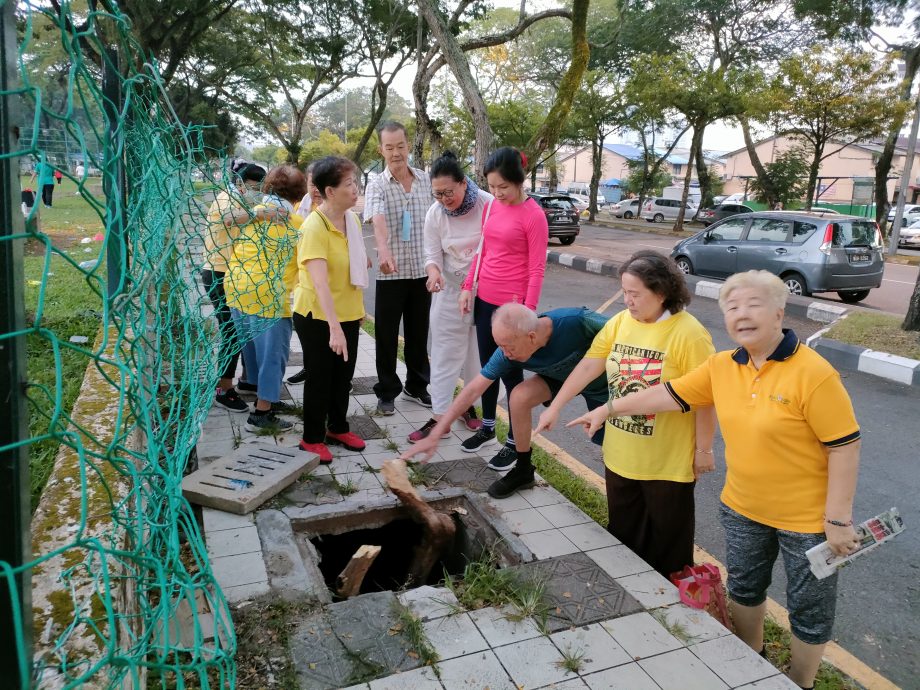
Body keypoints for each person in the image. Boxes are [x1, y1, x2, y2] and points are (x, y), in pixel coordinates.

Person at [562, 270, 862, 690]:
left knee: (809, 607)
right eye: (732, 306)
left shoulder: (814, 373)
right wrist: (609, 409)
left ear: (779, 312)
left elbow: (844, 446)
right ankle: (750, 657)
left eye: (753, 304)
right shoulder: (723, 366)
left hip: (808, 519)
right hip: (743, 506)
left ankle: (800, 681)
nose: (742, 314)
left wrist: (838, 517)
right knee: (744, 588)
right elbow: (668, 394)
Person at [535, 251, 717, 578]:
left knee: (668, 548)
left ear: (662, 293)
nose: (628, 301)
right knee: (624, 536)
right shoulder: (620, 323)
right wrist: (557, 405)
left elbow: (706, 396)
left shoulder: (689, 334)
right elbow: (592, 363)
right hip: (620, 454)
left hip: (667, 462)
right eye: (624, 292)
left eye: (636, 294)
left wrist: (703, 449)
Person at [403, 303, 611, 498]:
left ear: (531, 336)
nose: (504, 353)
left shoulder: (576, 321)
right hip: (559, 379)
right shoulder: (508, 350)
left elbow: (627, 331)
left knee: (611, 445)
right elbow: (474, 389)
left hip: (605, 383)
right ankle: (523, 470)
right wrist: (437, 432)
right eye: (500, 346)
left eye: (508, 346)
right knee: (519, 396)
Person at [457, 147, 548, 471]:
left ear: (519, 181)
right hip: (486, 303)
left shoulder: (533, 215)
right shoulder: (492, 207)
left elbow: (537, 268)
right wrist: (469, 286)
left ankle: (514, 441)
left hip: (514, 310)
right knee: (487, 368)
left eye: (502, 187)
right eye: (492, 187)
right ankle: (486, 428)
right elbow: (482, 252)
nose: (496, 193)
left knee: (512, 377)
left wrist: (528, 315)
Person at [408, 151, 491, 442]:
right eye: (438, 194)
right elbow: (432, 253)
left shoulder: (487, 205)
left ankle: (469, 408)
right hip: (450, 289)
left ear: (464, 184)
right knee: (444, 352)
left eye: (448, 192)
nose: (444, 199)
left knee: (477, 356)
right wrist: (433, 273)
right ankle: (439, 415)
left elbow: (495, 248)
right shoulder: (435, 213)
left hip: (485, 290)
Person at [293, 156, 369, 463]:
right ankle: (312, 437)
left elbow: (354, 267)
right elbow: (320, 283)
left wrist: (356, 309)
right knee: (320, 377)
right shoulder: (315, 226)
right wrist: (334, 328)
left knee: (343, 377)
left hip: (347, 312)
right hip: (318, 315)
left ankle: (338, 427)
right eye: (349, 184)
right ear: (330, 191)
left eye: (356, 183)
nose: (355, 190)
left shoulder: (350, 218)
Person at [225, 164, 306, 432]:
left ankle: (259, 391)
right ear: (299, 193)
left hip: (238, 286)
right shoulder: (296, 223)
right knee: (273, 354)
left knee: (251, 346)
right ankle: (261, 414)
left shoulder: (254, 212)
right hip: (269, 295)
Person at [202, 161, 285, 413]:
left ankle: (248, 381)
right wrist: (260, 213)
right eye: (254, 187)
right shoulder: (226, 199)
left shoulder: (241, 199)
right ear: (240, 183)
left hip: (234, 275)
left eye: (261, 188)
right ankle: (223, 389)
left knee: (243, 330)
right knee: (232, 333)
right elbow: (229, 219)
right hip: (219, 273)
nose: (257, 193)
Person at [363, 121, 433, 415]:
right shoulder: (376, 184)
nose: (395, 153)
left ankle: (417, 387)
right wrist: (384, 248)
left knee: (419, 333)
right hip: (390, 272)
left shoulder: (426, 180)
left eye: (400, 146)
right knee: (387, 335)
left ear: (409, 146)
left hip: (422, 271)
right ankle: (387, 391)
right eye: (389, 147)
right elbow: (377, 215)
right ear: (381, 149)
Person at [288, 162, 323, 386]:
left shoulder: (338, 211)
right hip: (303, 283)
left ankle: (338, 377)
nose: (316, 189)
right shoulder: (300, 208)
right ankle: (309, 368)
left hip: (329, 284)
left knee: (329, 334)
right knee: (307, 331)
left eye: (321, 183)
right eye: (313, 183)